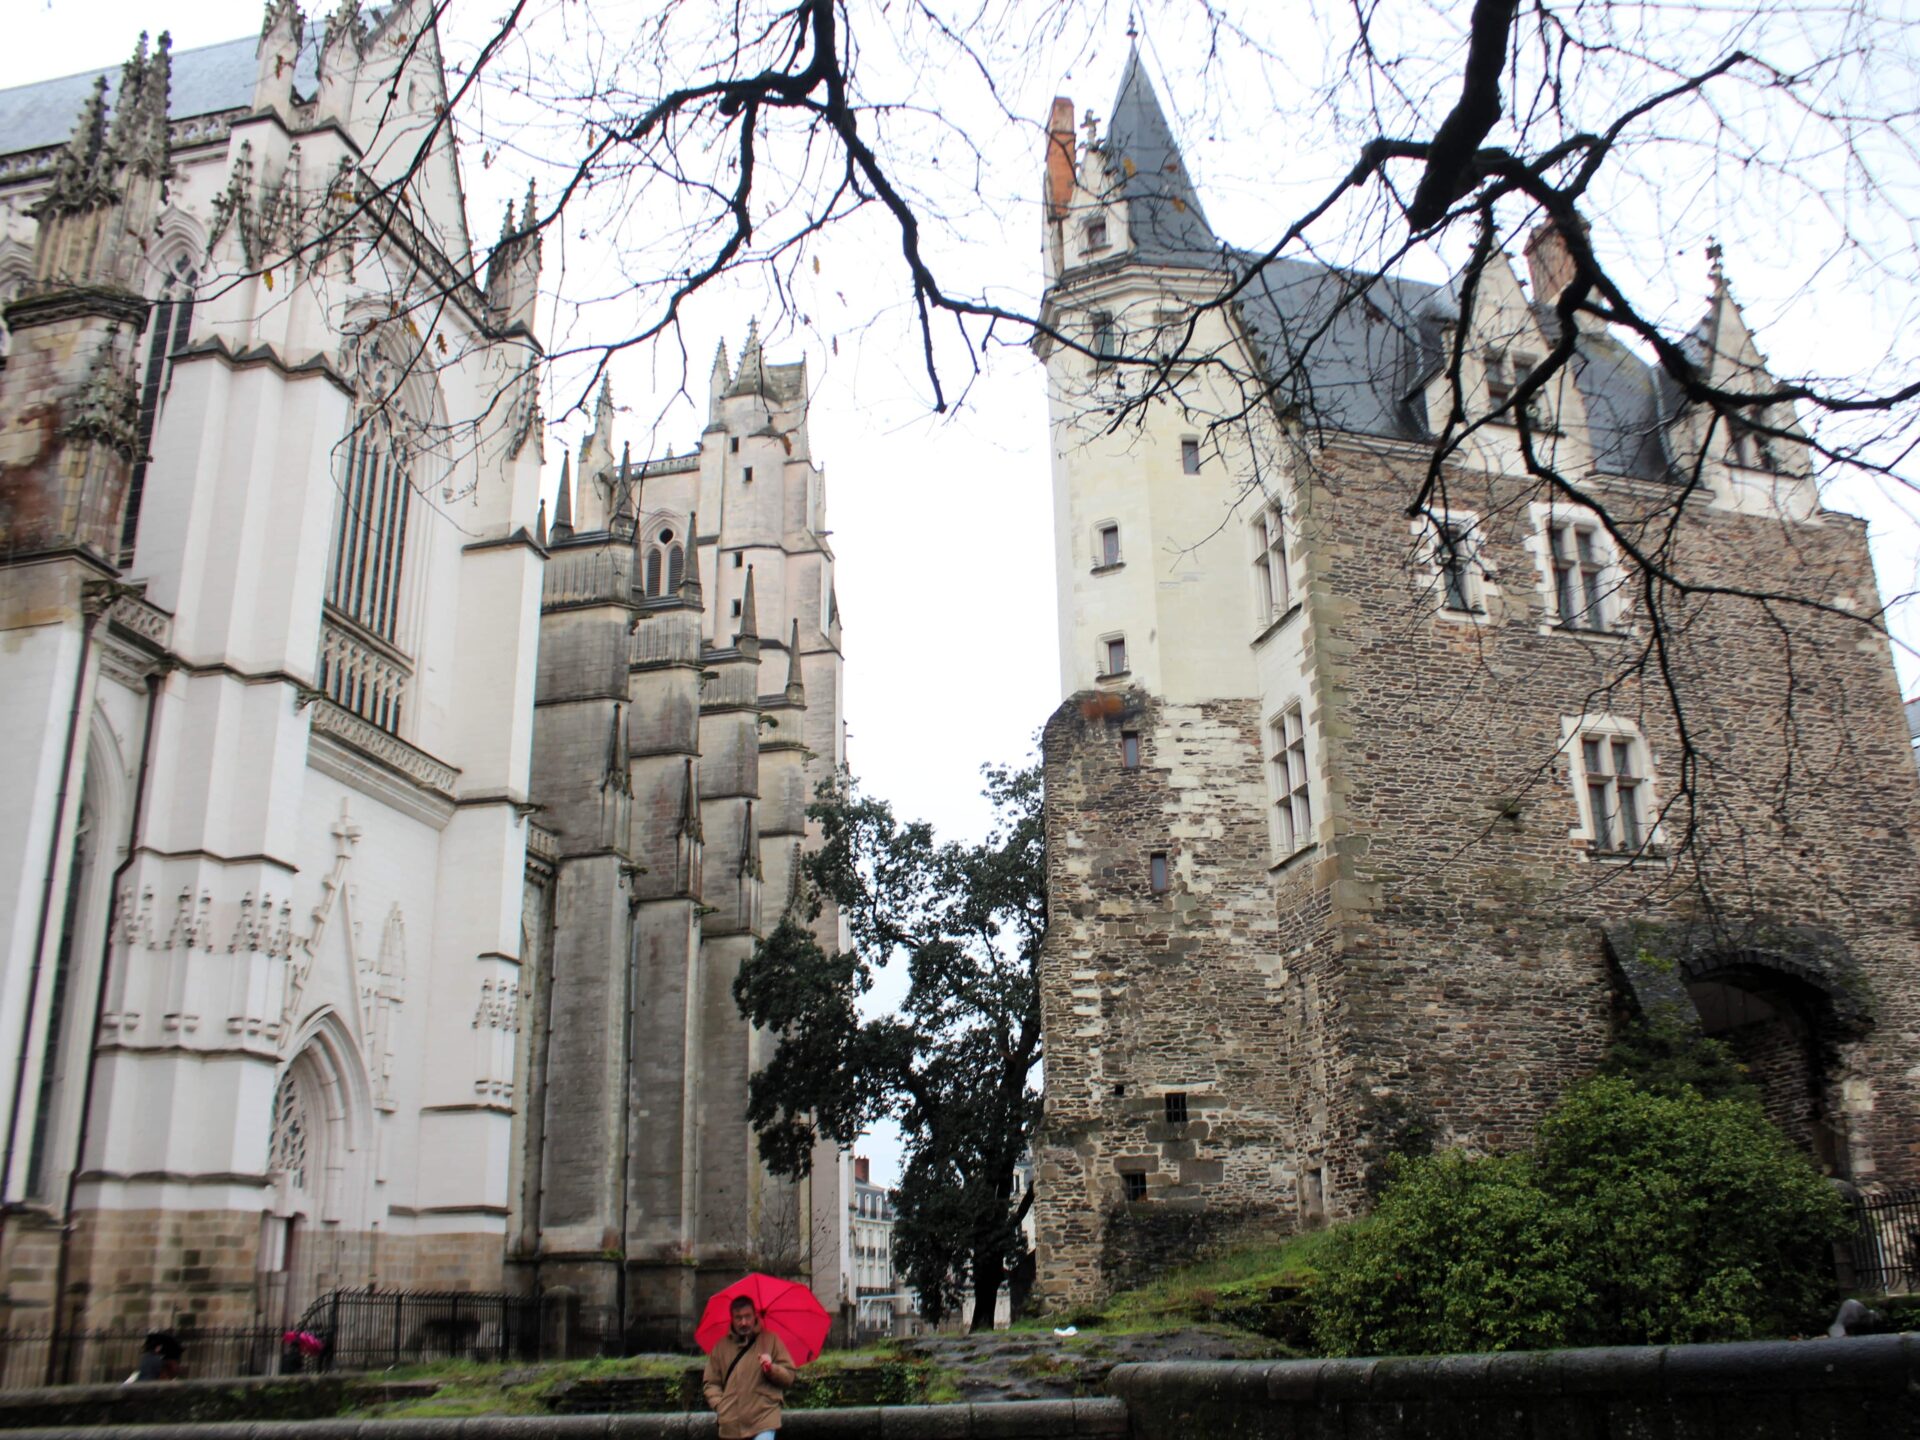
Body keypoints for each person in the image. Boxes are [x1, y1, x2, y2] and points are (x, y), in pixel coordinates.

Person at [701, 1296, 796, 1440]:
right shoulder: (721, 1347)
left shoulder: (771, 1340)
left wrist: (772, 1369)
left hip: (764, 1420)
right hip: (731, 1425)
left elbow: (789, 1376)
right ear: (732, 1319)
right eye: (738, 1318)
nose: (743, 1322)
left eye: (747, 1316)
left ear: (755, 1316)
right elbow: (711, 1383)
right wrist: (720, 1406)